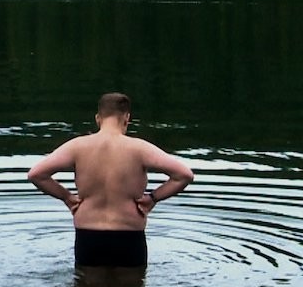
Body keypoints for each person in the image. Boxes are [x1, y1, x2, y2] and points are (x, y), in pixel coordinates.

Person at [27, 93, 194, 267]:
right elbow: (184, 175)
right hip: (129, 233)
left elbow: (36, 174)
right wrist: (153, 198)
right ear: (127, 118)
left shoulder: (77, 146)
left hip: (88, 233)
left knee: (87, 283)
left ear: (98, 118)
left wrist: (67, 197)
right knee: (132, 284)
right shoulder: (139, 148)